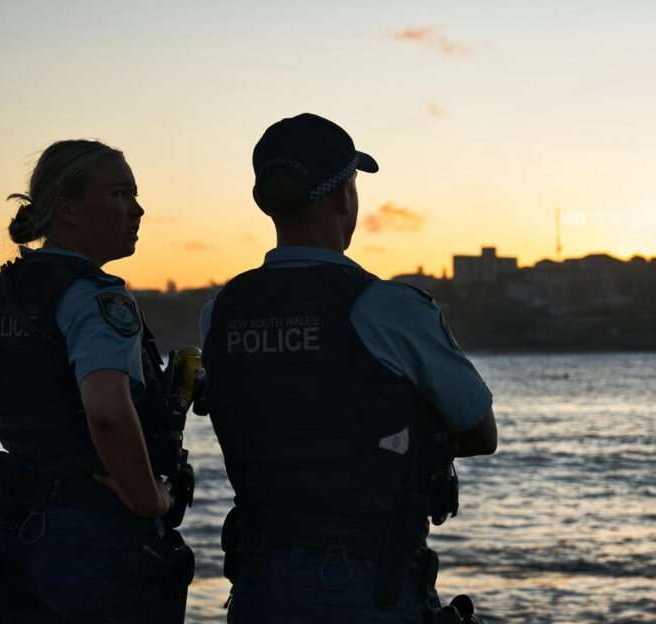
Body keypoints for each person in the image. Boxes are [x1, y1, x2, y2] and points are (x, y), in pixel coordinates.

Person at [201, 113, 497, 623]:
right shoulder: (387, 308)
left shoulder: (221, 313)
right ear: (343, 196)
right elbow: (479, 431)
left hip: (257, 584)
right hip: (363, 582)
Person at [0, 140, 194, 623]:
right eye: (120, 194)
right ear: (68, 209)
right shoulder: (99, 303)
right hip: (99, 547)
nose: (138, 209)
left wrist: (15, 527)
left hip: (18, 548)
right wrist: (152, 499)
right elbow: (106, 413)